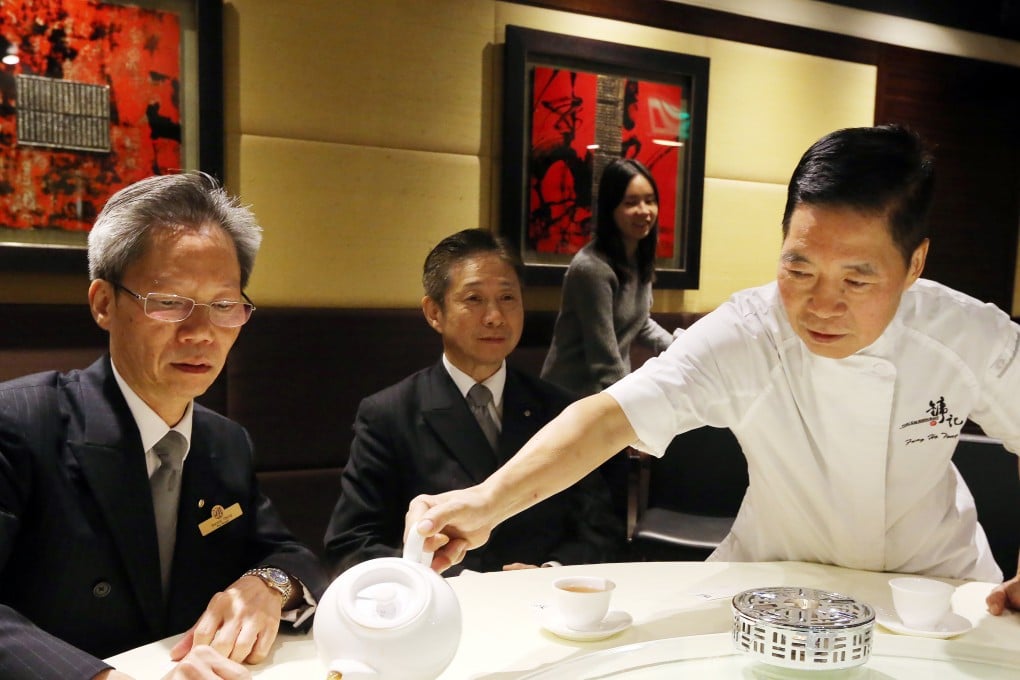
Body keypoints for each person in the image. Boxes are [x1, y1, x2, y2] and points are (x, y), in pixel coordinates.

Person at [404, 125, 1020, 616]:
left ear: (915, 265)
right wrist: (486, 502)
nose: (821, 305)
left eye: (857, 279)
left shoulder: (965, 332)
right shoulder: (750, 331)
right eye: (799, 270)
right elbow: (610, 416)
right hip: (779, 585)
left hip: (937, 591)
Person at [0, 172, 329, 680]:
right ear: (104, 303)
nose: (201, 334)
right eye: (170, 302)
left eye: (223, 306)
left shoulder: (224, 441)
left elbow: (287, 553)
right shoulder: (21, 423)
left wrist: (266, 585)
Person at [323, 229, 620, 576]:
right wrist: (449, 577)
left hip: (544, 605)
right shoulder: (389, 414)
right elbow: (351, 544)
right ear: (434, 312)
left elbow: (603, 530)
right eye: (475, 299)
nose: (495, 316)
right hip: (443, 609)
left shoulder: (560, 409)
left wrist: (549, 572)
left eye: (508, 297)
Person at [541, 158, 676, 397]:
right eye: (631, 203)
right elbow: (604, 362)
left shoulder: (637, 258)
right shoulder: (591, 268)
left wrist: (681, 348)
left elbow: (640, 323)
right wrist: (631, 407)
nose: (644, 211)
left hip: (608, 392)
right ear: (610, 209)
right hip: (570, 397)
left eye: (650, 201)